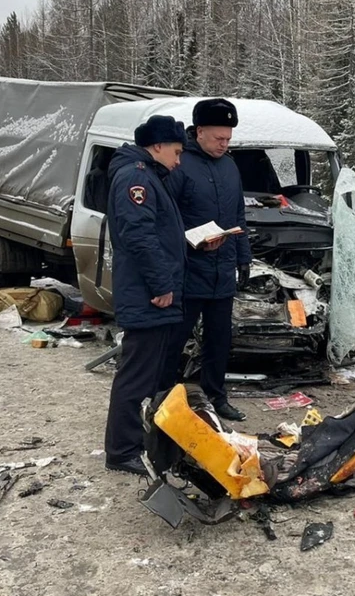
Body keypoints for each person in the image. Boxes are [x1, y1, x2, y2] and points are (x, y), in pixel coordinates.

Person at [104, 115, 188, 475]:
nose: (179, 159)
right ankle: (122, 451)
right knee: (136, 373)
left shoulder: (150, 174)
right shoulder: (137, 177)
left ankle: (139, 441)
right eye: (177, 151)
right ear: (157, 146)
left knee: (149, 372)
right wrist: (161, 285)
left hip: (150, 292)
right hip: (146, 294)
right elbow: (139, 237)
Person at [164, 98, 251, 421]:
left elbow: (238, 214)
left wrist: (243, 259)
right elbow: (166, 216)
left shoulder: (229, 166)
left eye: (228, 139)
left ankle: (216, 396)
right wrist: (192, 241)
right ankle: (165, 397)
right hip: (188, 270)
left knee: (219, 340)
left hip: (222, 269)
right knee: (174, 340)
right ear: (199, 132)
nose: (224, 144)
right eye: (218, 138)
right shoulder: (179, 164)